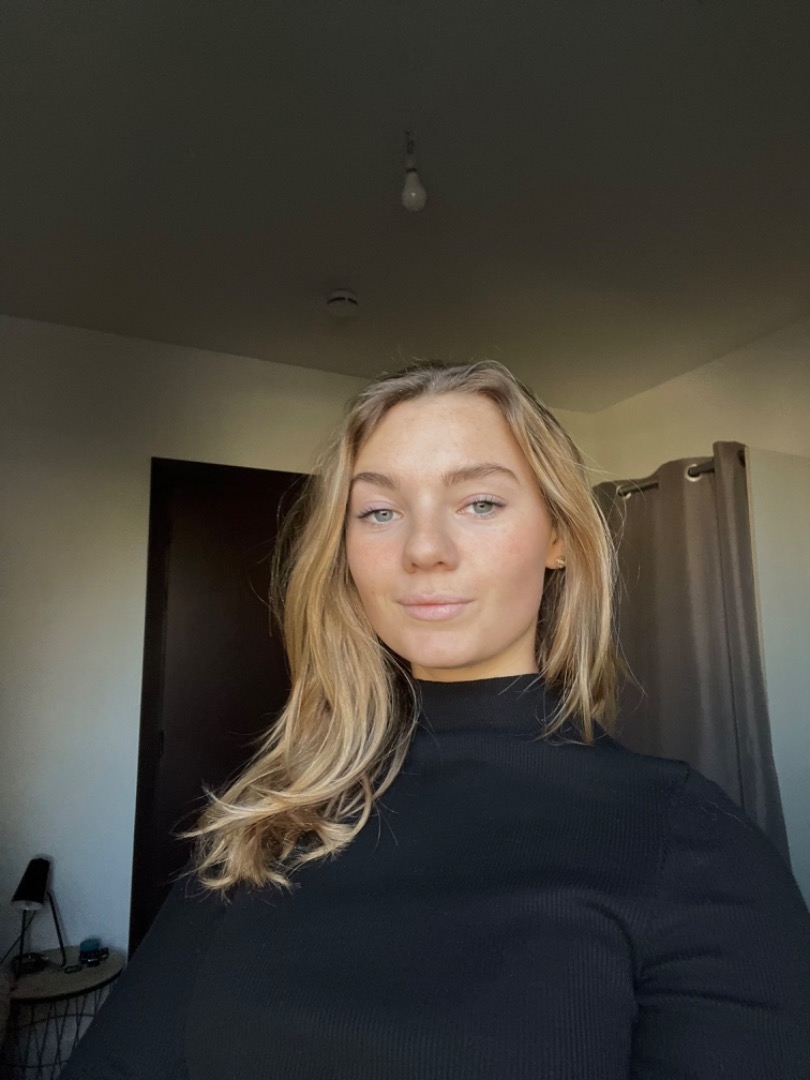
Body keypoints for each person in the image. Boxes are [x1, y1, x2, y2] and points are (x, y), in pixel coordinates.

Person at [62, 360, 810, 1079]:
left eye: (479, 503)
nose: (423, 549)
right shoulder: (267, 825)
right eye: (379, 512)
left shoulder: (686, 837)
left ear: (558, 536)